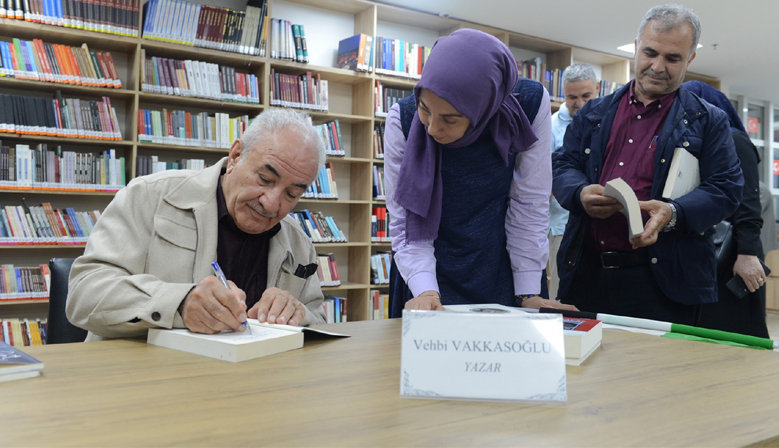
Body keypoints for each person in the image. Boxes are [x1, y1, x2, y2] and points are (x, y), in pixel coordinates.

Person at [552, 4, 744, 325]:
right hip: (586, 272)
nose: (657, 66)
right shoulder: (592, 113)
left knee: (656, 374)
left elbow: (726, 189)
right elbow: (563, 167)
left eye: (672, 58)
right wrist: (580, 192)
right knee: (584, 371)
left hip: (664, 282)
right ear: (637, 46)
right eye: (651, 52)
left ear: (690, 60)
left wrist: (674, 213)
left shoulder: (709, 120)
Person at [67, 109, 328, 340]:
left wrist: (297, 313)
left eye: (291, 194)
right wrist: (179, 303)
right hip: (143, 380)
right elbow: (83, 295)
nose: (272, 204)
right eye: (264, 178)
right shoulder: (149, 196)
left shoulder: (298, 242)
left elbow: (318, 320)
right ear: (236, 155)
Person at [384, 28, 577, 315]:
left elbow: (529, 203)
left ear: (485, 107)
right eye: (425, 108)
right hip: (425, 269)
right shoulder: (403, 120)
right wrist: (425, 289)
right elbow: (405, 220)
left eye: (450, 119)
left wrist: (527, 292)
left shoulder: (529, 107)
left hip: (501, 266)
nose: (433, 129)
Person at [685, 80, 769, 337]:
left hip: (735, 254)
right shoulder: (702, 143)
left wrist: (747, 254)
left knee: (738, 332)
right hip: (710, 255)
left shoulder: (734, 139)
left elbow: (748, 202)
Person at [548, 63, 599, 300]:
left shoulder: (606, 122)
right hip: (560, 226)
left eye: (586, 96)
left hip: (597, 225)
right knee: (560, 295)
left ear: (597, 89)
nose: (579, 103)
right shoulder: (548, 128)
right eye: (572, 97)